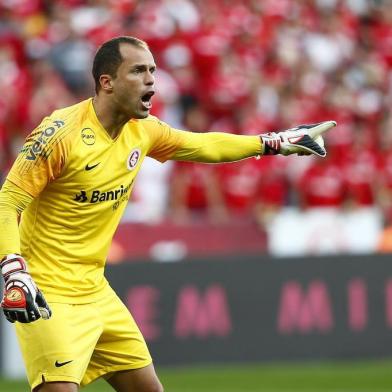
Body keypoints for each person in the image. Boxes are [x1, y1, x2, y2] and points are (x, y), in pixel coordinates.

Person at [0, 36, 335, 392]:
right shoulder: (59, 135)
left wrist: (274, 142)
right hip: (48, 291)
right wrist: (12, 269)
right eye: (139, 71)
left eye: (152, 71)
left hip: (96, 290)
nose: (151, 81)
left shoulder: (143, 131)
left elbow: (202, 145)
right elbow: (7, 201)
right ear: (107, 82)